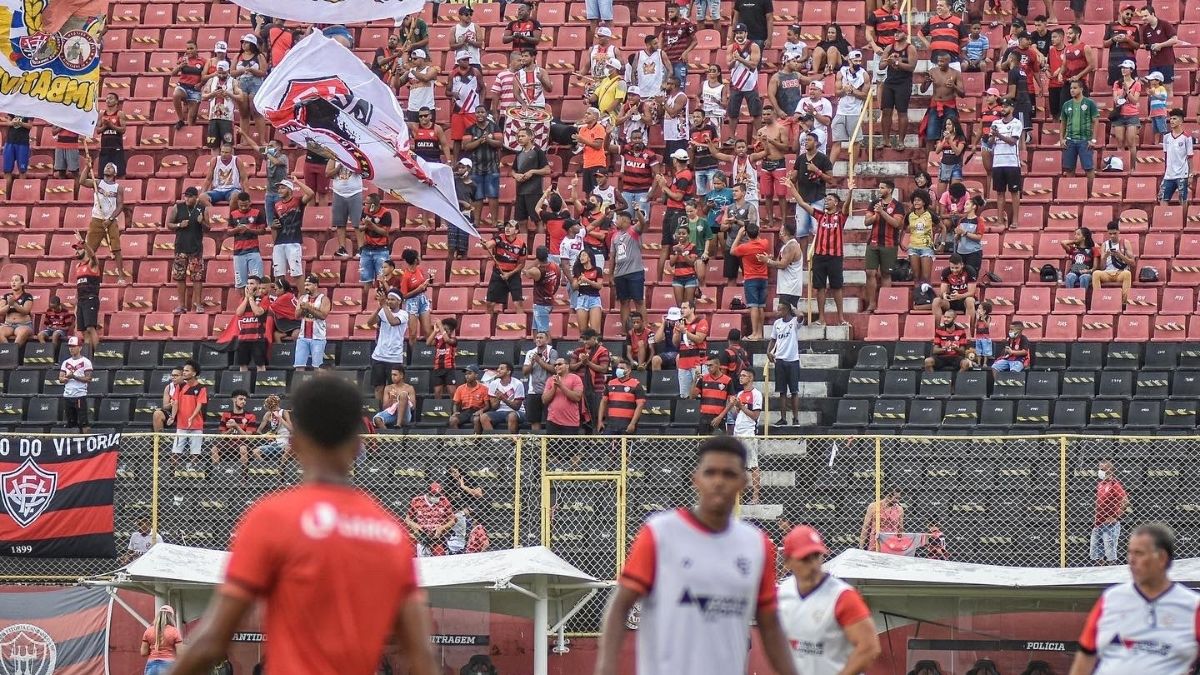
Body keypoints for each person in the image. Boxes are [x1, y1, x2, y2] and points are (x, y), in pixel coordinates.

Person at [169, 376, 439, 675]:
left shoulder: (272, 518)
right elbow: (421, 653)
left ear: (296, 443)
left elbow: (211, 643)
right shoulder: (389, 532)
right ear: (356, 445)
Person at [595, 436, 799, 675]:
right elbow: (620, 606)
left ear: (744, 482)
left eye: (729, 474)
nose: (719, 481)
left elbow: (770, 625)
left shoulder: (757, 544)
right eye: (711, 472)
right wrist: (605, 667)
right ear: (696, 479)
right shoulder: (660, 533)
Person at [1068, 523, 1199, 675]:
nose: (1131, 560)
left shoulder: (1192, 606)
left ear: (1162, 557)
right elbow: (1085, 655)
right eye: (1130, 553)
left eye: (1139, 553)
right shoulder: (1111, 599)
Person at [778, 526, 881, 674]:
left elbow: (869, 647)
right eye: (805, 559)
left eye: (817, 556)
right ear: (787, 562)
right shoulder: (783, 593)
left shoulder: (843, 596)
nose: (813, 565)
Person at [792, 178, 855, 326]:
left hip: (835, 256)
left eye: (830, 199)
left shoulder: (840, 217)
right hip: (819, 256)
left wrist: (850, 191)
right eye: (826, 199)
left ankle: (841, 319)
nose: (827, 201)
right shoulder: (819, 215)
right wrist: (791, 188)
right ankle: (821, 318)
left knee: (837, 287)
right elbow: (802, 203)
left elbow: (846, 206)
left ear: (836, 203)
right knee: (819, 287)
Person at [80, 158, 129, 284]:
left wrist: (111, 218)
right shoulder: (97, 182)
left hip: (111, 220)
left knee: (116, 249)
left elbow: (120, 206)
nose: (107, 167)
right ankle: (87, 274)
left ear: (115, 173)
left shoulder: (118, 188)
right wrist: (87, 166)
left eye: (110, 167)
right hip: (97, 219)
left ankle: (121, 276)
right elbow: (82, 181)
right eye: (106, 166)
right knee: (89, 249)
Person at [862, 180, 904, 311]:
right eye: (879, 187)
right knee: (870, 272)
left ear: (890, 190)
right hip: (873, 243)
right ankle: (872, 303)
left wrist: (882, 212)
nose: (879, 190)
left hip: (889, 243)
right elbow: (866, 222)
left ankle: (885, 303)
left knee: (886, 274)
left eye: (882, 188)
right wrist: (875, 216)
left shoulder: (898, 206)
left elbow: (896, 224)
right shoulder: (874, 203)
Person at [167, 187, 208, 315]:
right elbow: (168, 224)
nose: (187, 199)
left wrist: (202, 223)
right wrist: (179, 225)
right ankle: (181, 305)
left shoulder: (202, 208)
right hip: (181, 248)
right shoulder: (178, 207)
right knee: (180, 277)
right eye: (186, 196)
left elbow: (209, 228)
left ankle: (198, 304)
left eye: (190, 196)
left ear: (196, 197)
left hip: (196, 249)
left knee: (197, 278)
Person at [725, 369, 763, 502]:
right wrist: (735, 406)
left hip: (748, 433)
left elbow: (755, 416)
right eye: (740, 376)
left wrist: (741, 406)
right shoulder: (740, 393)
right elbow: (737, 415)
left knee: (753, 465)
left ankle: (756, 496)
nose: (741, 378)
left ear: (751, 378)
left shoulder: (756, 394)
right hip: (738, 432)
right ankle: (738, 497)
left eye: (744, 376)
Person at [828, 50, 871, 167]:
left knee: (855, 141)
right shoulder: (842, 72)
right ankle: (829, 167)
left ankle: (852, 168)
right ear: (849, 60)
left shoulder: (864, 75)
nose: (858, 63)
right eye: (855, 60)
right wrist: (844, 90)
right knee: (837, 141)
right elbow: (837, 92)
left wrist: (853, 91)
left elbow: (864, 95)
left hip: (855, 112)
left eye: (859, 60)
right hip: (841, 111)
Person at [368, 291, 411, 405]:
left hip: (394, 358)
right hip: (379, 356)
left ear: (399, 301)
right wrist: (378, 309)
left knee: (394, 389)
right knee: (378, 387)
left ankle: (392, 413)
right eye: (388, 299)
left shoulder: (404, 314)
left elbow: (393, 322)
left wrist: (383, 306)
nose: (389, 301)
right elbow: (369, 323)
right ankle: (379, 412)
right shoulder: (383, 310)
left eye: (392, 299)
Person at [271, 178, 315, 287]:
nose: (280, 190)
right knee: (278, 274)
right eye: (279, 188)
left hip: (293, 241)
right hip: (279, 243)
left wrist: (297, 182)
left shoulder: (298, 201)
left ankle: (303, 297)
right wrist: (273, 231)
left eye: (283, 188)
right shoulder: (276, 205)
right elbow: (275, 225)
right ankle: (279, 299)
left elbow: (311, 193)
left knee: (296, 272)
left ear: (290, 190)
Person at [1059, 80, 1098, 195]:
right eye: (1071, 88)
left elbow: (1095, 121)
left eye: (1075, 88)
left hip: (1085, 140)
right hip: (1070, 140)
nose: (1072, 90)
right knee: (1069, 168)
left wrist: (1093, 139)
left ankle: (1091, 193)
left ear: (1081, 89)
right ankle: (1072, 193)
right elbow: (1063, 123)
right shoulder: (1067, 104)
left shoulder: (1089, 103)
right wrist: (1062, 138)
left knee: (1089, 168)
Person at [726, 24, 764, 140]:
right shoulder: (731, 47)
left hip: (750, 84)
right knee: (732, 114)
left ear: (746, 33)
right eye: (737, 33)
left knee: (756, 113)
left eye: (741, 33)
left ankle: (760, 137)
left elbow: (754, 65)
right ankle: (732, 137)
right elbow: (728, 65)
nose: (739, 35)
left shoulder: (753, 46)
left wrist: (740, 59)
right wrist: (734, 59)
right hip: (736, 85)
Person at [990, 98, 1024, 227]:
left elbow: (1013, 141)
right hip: (997, 162)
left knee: (1014, 192)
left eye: (1005, 106)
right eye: (1002, 106)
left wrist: (998, 135)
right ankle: (999, 220)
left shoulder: (1016, 123)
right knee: (999, 193)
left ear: (1012, 108)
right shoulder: (996, 123)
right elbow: (990, 143)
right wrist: (993, 136)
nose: (1003, 109)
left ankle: (1015, 220)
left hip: (1012, 163)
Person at [768, 302, 801, 427]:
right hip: (780, 360)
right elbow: (773, 339)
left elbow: (801, 315)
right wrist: (768, 351)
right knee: (781, 391)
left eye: (780, 309)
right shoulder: (777, 324)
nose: (778, 312)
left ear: (787, 310)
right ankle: (783, 418)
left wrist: (793, 308)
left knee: (794, 391)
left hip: (793, 360)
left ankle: (796, 418)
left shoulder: (794, 322)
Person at [571, 329, 612, 432]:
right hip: (579, 389)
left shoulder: (602, 351)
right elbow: (571, 367)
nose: (585, 342)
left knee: (596, 417)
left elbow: (603, 368)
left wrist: (588, 363)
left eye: (587, 339)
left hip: (596, 390)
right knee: (580, 418)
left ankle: (595, 441)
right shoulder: (578, 351)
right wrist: (582, 362)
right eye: (583, 340)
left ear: (594, 339)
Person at [1090, 459, 1129, 566]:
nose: (1100, 471)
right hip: (1098, 523)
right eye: (1099, 469)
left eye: (1103, 469)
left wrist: (1116, 517)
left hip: (1110, 525)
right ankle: (1100, 576)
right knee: (1097, 554)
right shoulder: (1100, 484)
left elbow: (1125, 501)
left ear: (1110, 470)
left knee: (1110, 555)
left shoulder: (1114, 484)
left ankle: (1112, 576)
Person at [596, 356, 647, 435]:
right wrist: (600, 421)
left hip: (627, 425)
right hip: (611, 425)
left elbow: (640, 405)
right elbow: (603, 402)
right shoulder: (610, 383)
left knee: (625, 447)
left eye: (622, 368)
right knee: (610, 447)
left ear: (629, 370)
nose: (619, 370)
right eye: (618, 368)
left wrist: (632, 423)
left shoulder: (636, 385)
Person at [172, 360, 207, 470]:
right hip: (181, 424)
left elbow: (199, 405)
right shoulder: (180, 387)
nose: (184, 373)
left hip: (196, 424)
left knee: (195, 451)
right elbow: (175, 403)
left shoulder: (201, 388)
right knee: (176, 451)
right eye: (184, 371)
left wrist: (192, 417)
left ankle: (191, 468)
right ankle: (172, 473)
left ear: (194, 373)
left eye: (187, 371)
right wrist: (173, 416)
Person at [227, 192, 266, 290]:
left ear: (250, 202)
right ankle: (244, 303)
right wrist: (237, 229)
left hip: (253, 251)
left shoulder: (257, 213)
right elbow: (228, 232)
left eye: (245, 205)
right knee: (240, 284)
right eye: (241, 205)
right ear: (238, 203)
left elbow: (262, 231)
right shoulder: (233, 214)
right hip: (238, 253)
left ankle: (257, 303)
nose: (243, 207)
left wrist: (249, 230)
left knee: (257, 281)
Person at [522, 331, 558, 431]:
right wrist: (531, 363)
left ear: (547, 340)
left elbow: (554, 369)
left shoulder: (552, 352)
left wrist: (539, 361)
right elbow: (525, 372)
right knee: (534, 420)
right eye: (537, 337)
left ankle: (550, 444)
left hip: (548, 391)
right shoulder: (530, 353)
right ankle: (536, 443)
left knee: (550, 420)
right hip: (533, 391)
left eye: (541, 337)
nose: (538, 339)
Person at [1093, 221, 1135, 305]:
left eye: (1114, 233)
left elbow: (1133, 263)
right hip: (1107, 273)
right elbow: (1102, 267)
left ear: (1119, 231)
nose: (1112, 236)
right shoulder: (1105, 245)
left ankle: (1124, 302)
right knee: (1096, 273)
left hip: (1120, 273)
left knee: (1127, 273)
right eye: (1110, 234)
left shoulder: (1125, 243)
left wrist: (1120, 255)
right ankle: (1099, 300)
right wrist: (1105, 257)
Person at [476, 362, 525, 434]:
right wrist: (498, 399)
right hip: (500, 411)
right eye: (498, 368)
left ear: (508, 372)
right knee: (484, 417)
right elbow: (494, 407)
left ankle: (511, 442)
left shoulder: (518, 384)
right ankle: (495, 441)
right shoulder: (494, 384)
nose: (498, 370)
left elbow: (516, 407)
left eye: (501, 369)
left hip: (518, 412)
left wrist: (503, 398)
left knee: (512, 416)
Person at [201, 62, 241, 150]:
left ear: (228, 71)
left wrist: (229, 94)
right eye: (219, 73)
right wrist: (213, 94)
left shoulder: (233, 81)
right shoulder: (211, 80)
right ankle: (215, 162)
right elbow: (203, 96)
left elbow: (240, 97)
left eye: (224, 73)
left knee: (228, 145)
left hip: (227, 118)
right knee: (213, 146)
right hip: (213, 117)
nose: (221, 75)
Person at [216, 389, 260, 467]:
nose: (243, 401)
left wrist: (236, 426)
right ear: (233, 399)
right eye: (241, 399)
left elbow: (248, 437)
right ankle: (217, 472)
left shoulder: (250, 416)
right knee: (214, 449)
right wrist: (230, 429)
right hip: (228, 443)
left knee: (243, 448)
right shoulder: (226, 415)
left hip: (244, 443)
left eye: (245, 400)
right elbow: (222, 436)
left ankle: (243, 476)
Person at [295, 274, 330, 370]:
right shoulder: (302, 298)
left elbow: (323, 316)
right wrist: (302, 309)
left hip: (318, 337)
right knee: (299, 366)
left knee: (317, 367)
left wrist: (309, 308)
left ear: (315, 285)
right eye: (305, 285)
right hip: (302, 337)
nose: (306, 287)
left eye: (309, 285)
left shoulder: (324, 299)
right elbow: (296, 316)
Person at [933, 254, 978, 328]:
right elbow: (942, 291)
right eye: (952, 268)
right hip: (951, 300)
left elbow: (971, 292)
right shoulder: (946, 272)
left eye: (957, 268)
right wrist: (944, 295)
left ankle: (970, 331)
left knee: (970, 300)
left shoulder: (970, 271)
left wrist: (960, 296)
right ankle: (938, 330)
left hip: (965, 300)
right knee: (936, 301)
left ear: (962, 265)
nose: (954, 270)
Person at [58, 336, 92, 433]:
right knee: (70, 423)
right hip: (67, 395)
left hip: (80, 396)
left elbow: (88, 379)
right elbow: (60, 378)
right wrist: (65, 378)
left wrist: (74, 377)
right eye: (70, 346)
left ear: (80, 347)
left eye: (73, 346)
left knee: (84, 423)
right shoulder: (66, 362)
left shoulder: (86, 362)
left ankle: (87, 443)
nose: (71, 348)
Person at [543, 357, 585, 435]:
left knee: (570, 447)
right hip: (553, 422)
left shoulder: (575, 378)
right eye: (555, 365)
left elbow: (577, 397)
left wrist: (561, 386)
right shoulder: (550, 380)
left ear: (567, 366)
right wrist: (554, 387)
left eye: (559, 364)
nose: (556, 366)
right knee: (552, 447)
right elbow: (545, 400)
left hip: (570, 423)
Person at [73, 243, 102, 351]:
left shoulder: (92, 264)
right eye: (76, 249)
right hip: (81, 301)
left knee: (90, 328)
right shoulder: (77, 267)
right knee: (84, 331)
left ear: (85, 250)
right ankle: (87, 357)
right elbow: (78, 287)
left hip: (91, 299)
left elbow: (93, 256)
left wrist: (85, 244)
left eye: (79, 249)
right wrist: (76, 304)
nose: (76, 251)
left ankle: (98, 355)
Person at [398, 249, 433, 342]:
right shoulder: (406, 276)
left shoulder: (419, 270)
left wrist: (427, 284)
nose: (420, 259)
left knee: (428, 331)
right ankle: (411, 355)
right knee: (413, 333)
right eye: (418, 257)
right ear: (415, 260)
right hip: (411, 303)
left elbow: (422, 286)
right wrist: (418, 290)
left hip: (422, 300)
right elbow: (403, 295)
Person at [1160, 108, 1193, 205]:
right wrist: (1165, 171)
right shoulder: (1166, 137)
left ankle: (1183, 219)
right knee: (1163, 199)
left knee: (1183, 199)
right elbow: (1166, 156)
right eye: (1171, 119)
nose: (1171, 121)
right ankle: (1163, 219)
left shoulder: (1187, 137)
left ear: (1181, 121)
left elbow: (1190, 157)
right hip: (1169, 175)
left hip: (1182, 174)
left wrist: (1190, 174)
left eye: (1174, 119)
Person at [1111, 60, 1142, 162]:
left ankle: (1132, 165)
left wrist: (1128, 91)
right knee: (1119, 142)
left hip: (1132, 115)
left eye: (1126, 68)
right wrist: (1122, 92)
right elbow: (1116, 101)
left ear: (1131, 70)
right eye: (1122, 68)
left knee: (1131, 143)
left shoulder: (1137, 84)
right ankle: (1120, 164)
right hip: (1119, 115)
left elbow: (1134, 101)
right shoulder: (1117, 83)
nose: (1123, 69)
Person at [171, 42, 206, 128]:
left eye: (191, 48)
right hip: (183, 86)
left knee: (192, 118)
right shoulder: (183, 59)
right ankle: (181, 119)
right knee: (176, 95)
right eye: (188, 49)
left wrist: (201, 84)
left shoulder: (203, 61)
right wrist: (180, 66)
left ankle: (189, 137)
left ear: (196, 49)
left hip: (195, 89)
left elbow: (205, 77)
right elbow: (173, 73)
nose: (189, 51)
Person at [141, 605, 182, 675]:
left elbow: (143, 652)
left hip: (151, 665)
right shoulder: (174, 631)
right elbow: (180, 653)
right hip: (168, 664)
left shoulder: (148, 631)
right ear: (171, 617)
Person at [572, 250, 605, 334]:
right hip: (581, 299)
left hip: (594, 299)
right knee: (582, 331)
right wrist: (579, 282)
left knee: (595, 331)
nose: (581, 257)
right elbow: (574, 287)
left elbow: (599, 286)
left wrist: (587, 280)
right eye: (580, 256)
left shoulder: (597, 270)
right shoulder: (578, 271)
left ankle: (597, 346)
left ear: (589, 257)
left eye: (584, 255)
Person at [449, 365, 489, 430]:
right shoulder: (460, 388)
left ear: (476, 375)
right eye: (466, 374)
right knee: (452, 420)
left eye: (470, 373)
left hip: (476, 411)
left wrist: (481, 411)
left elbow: (487, 406)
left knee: (476, 419)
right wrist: (455, 412)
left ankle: (476, 439)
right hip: (464, 411)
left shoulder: (484, 389)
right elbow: (455, 403)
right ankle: (460, 439)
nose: (467, 376)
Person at [97, 93, 127, 177]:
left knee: (120, 173)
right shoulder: (102, 114)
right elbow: (98, 131)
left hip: (116, 148)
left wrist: (111, 125)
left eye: (111, 98)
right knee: (102, 173)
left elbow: (123, 130)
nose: (108, 100)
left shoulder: (120, 114)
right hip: (105, 148)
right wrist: (105, 126)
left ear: (116, 101)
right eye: (107, 98)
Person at [428, 318, 459, 399]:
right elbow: (428, 343)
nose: (442, 331)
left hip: (449, 368)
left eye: (446, 330)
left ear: (451, 331)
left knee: (452, 392)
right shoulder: (438, 339)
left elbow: (447, 340)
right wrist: (435, 331)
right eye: (442, 329)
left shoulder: (454, 340)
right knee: (437, 392)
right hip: (438, 368)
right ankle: (438, 409)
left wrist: (441, 326)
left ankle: (454, 410)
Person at [152, 368, 182, 434]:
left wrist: (178, 402)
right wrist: (171, 404)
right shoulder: (169, 387)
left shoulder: (188, 386)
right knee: (157, 414)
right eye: (172, 375)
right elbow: (165, 406)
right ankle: (159, 440)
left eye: (176, 375)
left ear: (182, 377)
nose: (173, 377)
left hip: (184, 412)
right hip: (172, 412)